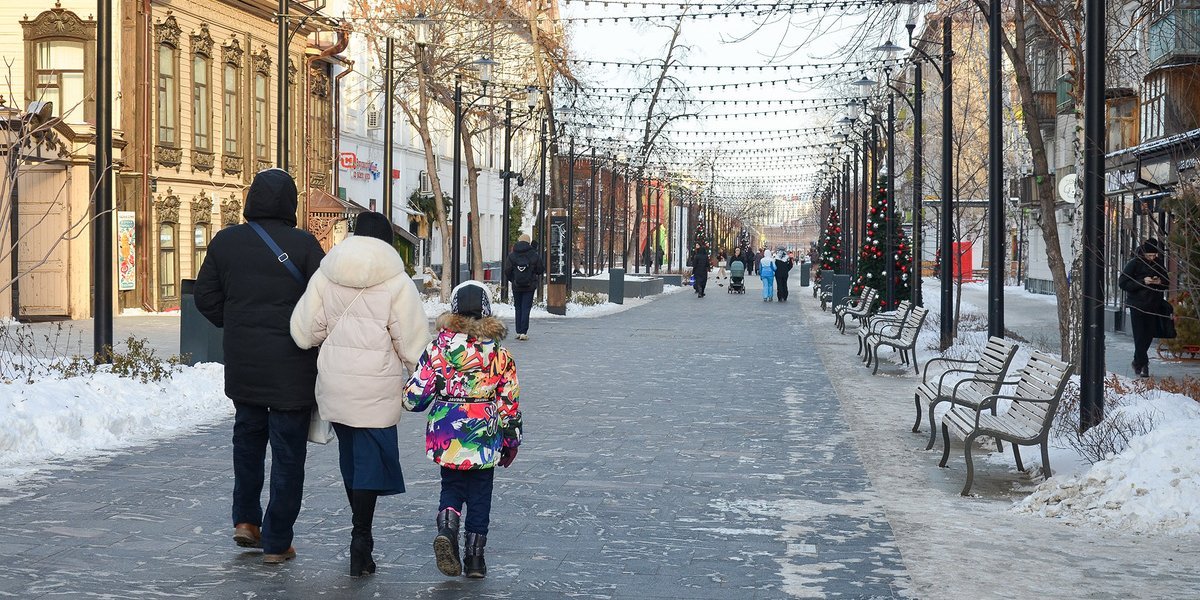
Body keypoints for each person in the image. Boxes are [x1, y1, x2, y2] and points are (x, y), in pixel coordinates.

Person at [194, 168, 325, 565]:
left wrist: (234, 323)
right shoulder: (305, 246)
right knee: (288, 454)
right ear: (290, 203)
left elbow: (204, 297)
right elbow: (323, 304)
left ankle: (246, 522)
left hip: (245, 367)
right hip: (293, 370)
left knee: (247, 445)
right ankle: (277, 540)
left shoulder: (226, 242)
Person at [289, 211, 430, 576]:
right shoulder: (398, 282)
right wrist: (424, 378)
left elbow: (305, 332)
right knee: (370, 463)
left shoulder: (326, 274)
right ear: (386, 241)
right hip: (376, 387)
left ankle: (361, 542)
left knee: (352, 460)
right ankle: (361, 539)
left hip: (336, 384)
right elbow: (413, 346)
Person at [404, 281, 523, 579]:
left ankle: (447, 530)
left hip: (448, 433)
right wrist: (511, 439)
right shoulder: (498, 354)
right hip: (485, 432)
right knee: (481, 493)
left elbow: (415, 398)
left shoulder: (438, 349)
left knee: (452, 486)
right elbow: (509, 400)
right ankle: (475, 560)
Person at [1119, 238, 1170, 378]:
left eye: (1154, 255)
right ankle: (1143, 364)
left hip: (1154, 305)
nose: (1152, 258)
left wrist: (1159, 281)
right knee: (1139, 335)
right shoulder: (1134, 263)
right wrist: (1143, 282)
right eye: (1150, 255)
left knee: (1148, 335)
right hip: (1137, 305)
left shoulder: (1158, 263)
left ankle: (1138, 361)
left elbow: (1167, 282)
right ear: (1144, 253)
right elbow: (1123, 283)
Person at [505, 234, 543, 341]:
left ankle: (518, 331)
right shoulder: (533, 255)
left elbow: (507, 270)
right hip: (529, 286)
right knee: (526, 308)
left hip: (516, 286)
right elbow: (540, 269)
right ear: (528, 242)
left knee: (518, 307)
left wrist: (513, 279)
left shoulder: (512, 255)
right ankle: (523, 332)